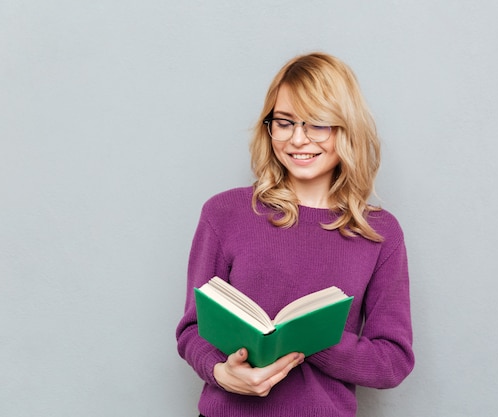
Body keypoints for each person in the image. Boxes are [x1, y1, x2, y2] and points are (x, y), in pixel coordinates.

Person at [176, 52, 414, 417]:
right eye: (284, 123)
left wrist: (310, 339)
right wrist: (221, 373)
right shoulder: (224, 214)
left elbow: (392, 360)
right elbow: (193, 329)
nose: (298, 139)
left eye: (317, 124)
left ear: (346, 128)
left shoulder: (379, 234)